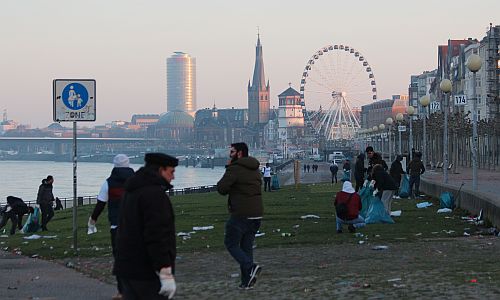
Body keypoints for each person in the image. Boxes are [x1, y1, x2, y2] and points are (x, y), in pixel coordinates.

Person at [114, 153, 178, 300]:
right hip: (146, 270)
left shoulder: (132, 190)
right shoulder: (154, 195)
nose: (173, 177)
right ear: (161, 170)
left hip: (126, 267)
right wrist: (165, 270)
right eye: (171, 172)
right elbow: (157, 234)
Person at [88, 154, 135, 300]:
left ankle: (122, 291)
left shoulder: (108, 183)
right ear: (128, 164)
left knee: (120, 259)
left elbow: (100, 205)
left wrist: (92, 220)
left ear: (114, 165)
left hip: (117, 226)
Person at [217, 142, 263, 289]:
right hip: (256, 214)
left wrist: (228, 167)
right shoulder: (255, 169)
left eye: (232, 152)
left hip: (241, 214)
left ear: (239, 153)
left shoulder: (235, 169)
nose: (229, 154)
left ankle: (250, 267)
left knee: (230, 243)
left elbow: (222, 188)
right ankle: (246, 281)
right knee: (246, 248)